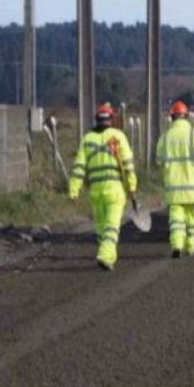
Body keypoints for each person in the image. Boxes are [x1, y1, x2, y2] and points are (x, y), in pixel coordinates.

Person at [69, 104, 137, 270]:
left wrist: (74, 189)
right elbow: (128, 166)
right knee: (112, 227)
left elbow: (79, 167)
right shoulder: (118, 136)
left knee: (100, 228)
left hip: (95, 192)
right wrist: (132, 189)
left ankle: (109, 257)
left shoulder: (87, 139)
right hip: (114, 190)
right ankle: (105, 256)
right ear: (111, 119)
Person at [155, 101, 194, 258]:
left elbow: (159, 160)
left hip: (173, 187)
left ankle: (177, 245)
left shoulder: (165, 138)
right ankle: (191, 246)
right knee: (191, 217)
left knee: (176, 218)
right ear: (186, 116)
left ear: (172, 117)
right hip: (192, 186)